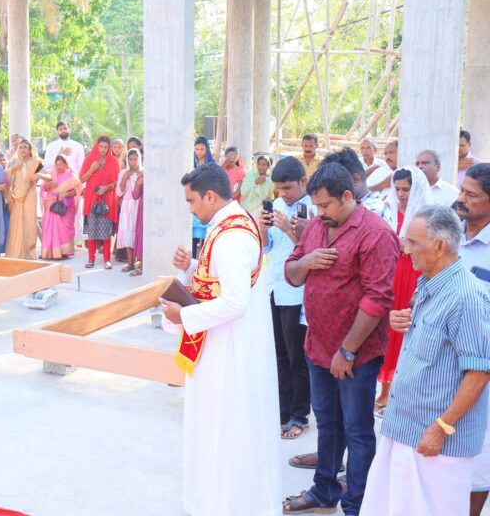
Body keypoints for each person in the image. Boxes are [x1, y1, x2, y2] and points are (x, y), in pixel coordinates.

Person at [158, 163, 281, 516]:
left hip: (230, 351)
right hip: (224, 342)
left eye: (193, 200)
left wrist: (183, 316)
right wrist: (191, 266)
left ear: (211, 196)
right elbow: (219, 278)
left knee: (224, 432)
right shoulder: (229, 224)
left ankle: (226, 506)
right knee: (213, 432)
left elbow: (235, 301)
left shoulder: (231, 236)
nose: (191, 208)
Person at [282, 163, 398, 516]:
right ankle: (324, 489)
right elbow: (291, 270)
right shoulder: (318, 227)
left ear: (348, 196)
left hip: (355, 356)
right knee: (328, 423)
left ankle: (357, 504)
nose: (319, 214)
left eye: (326, 206)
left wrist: (347, 351)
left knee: (358, 430)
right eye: (316, 207)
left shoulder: (376, 233)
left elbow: (378, 298)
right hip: (318, 347)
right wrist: (309, 262)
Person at [361, 206, 490, 516]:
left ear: (439, 245)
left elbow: (480, 372)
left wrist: (441, 427)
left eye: (413, 243)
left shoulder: (467, 297)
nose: (406, 250)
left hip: (434, 442)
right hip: (405, 429)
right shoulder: (429, 283)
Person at [259, 157, 315, 440]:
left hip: (297, 292)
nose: (283, 194)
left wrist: (288, 229)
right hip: (275, 287)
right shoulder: (278, 206)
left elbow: (310, 251)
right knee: (279, 356)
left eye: (288, 188)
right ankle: (282, 411)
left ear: (303, 182)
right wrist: (265, 227)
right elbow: (266, 248)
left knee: (298, 358)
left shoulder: (315, 209)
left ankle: (299, 415)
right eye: (279, 189)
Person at [375, 167, 431, 414]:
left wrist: (408, 244)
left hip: (415, 274)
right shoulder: (386, 209)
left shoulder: (426, 214)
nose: (401, 194)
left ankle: (405, 393)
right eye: (397, 189)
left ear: (416, 187)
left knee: (410, 328)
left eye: (406, 189)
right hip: (391, 274)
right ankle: (385, 392)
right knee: (389, 330)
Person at [456, 164, 490, 515]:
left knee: (478, 463)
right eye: (462, 190)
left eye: (471, 195)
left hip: (482, 374)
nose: (461, 199)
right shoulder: (448, 235)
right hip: (442, 371)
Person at [324, 148, 396, 229]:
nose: (330, 191)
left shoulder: (373, 212)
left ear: (355, 180)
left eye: (334, 184)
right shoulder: (351, 208)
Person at [79, 135, 120, 269]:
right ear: (97, 146)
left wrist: (106, 188)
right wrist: (92, 169)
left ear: (109, 148)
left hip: (107, 201)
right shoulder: (89, 159)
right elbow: (81, 179)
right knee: (92, 232)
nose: (102, 149)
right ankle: (91, 259)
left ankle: (107, 260)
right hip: (92, 200)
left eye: (105, 147)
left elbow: (116, 181)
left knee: (106, 233)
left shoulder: (113, 162)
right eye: (100, 146)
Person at [5, 138, 41, 260]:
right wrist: (14, 168)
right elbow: (5, 176)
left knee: (30, 223)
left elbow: (48, 175)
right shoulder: (13, 161)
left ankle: (29, 254)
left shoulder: (35, 162)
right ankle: (15, 253)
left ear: (30, 149)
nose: (23, 149)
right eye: (21, 147)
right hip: (15, 196)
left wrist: (37, 175)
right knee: (15, 223)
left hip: (30, 194)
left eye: (26, 147)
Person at [39, 155, 80, 260]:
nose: (58, 167)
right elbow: (45, 188)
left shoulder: (71, 176)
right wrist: (49, 185)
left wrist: (65, 194)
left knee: (64, 229)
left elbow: (77, 191)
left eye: (60, 164)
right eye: (57, 164)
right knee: (49, 227)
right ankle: (49, 252)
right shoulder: (53, 174)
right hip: (52, 204)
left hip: (65, 206)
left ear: (66, 164)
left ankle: (64, 252)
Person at [116, 148, 143, 272]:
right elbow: (119, 192)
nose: (133, 162)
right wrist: (124, 178)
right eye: (130, 159)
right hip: (127, 206)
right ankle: (130, 263)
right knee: (128, 232)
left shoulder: (144, 173)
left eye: (135, 159)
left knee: (139, 233)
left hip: (140, 205)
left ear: (139, 159)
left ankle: (142, 264)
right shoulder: (123, 173)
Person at [192, 137, 217, 257]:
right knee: (192, 236)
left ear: (207, 149)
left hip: (207, 200)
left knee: (206, 235)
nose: (199, 152)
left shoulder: (212, 164)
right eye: (196, 149)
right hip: (193, 200)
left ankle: (203, 263)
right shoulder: (190, 162)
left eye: (202, 149)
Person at [242, 154, 275, 220]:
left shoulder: (270, 181)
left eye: (264, 164)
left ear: (268, 166)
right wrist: (255, 183)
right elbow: (243, 192)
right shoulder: (250, 176)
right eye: (259, 164)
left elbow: (269, 196)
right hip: (248, 208)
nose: (261, 167)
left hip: (262, 210)